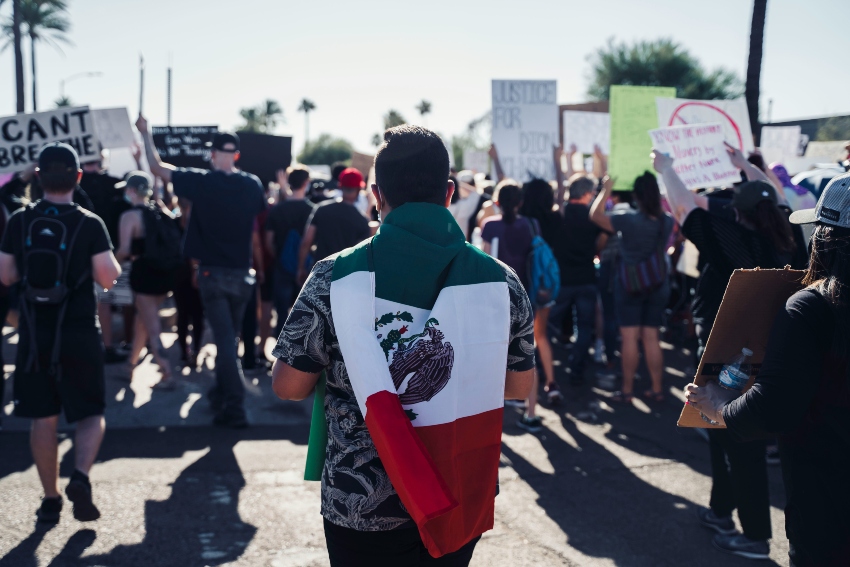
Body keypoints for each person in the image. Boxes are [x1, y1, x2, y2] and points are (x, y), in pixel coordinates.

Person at [272, 125, 534, 566]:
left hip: (362, 500)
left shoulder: (334, 276)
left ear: (377, 195)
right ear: (449, 192)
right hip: (458, 487)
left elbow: (289, 386)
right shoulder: (500, 282)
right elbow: (519, 386)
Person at [686, 171, 850, 566]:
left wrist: (718, 403)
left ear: (824, 236)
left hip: (829, 505)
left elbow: (774, 407)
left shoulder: (813, 306)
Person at [652, 143, 806, 560]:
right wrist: (746, 167)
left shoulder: (731, 242)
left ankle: (756, 535)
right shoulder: (792, 241)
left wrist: (665, 168)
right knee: (721, 434)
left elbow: (684, 208)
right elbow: (777, 196)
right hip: (766, 351)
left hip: (726, 355)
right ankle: (721, 511)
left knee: (739, 440)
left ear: (737, 214)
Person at [0, 143, 121, 523]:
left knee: (43, 417)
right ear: (78, 177)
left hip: (36, 334)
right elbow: (107, 276)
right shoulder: (89, 222)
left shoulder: (19, 221)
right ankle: (81, 477)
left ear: (38, 177)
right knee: (90, 413)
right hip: (80, 329)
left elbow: (6, 276)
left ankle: (50, 498)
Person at [137, 115, 266, 429]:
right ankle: (220, 393)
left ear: (212, 154)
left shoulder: (202, 181)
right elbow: (257, 228)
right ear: (235, 154)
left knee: (224, 343)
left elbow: (157, 168)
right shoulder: (252, 183)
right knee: (228, 341)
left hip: (213, 275)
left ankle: (234, 407)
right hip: (241, 275)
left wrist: (146, 134)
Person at [590, 173, 674, 403]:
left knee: (629, 338)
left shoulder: (627, 219)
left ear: (636, 195)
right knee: (651, 337)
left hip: (629, 283)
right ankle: (656, 388)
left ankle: (627, 390)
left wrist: (606, 188)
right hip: (657, 282)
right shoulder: (665, 220)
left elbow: (595, 215)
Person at [481, 181, 545, 432]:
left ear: (496, 201)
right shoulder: (531, 224)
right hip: (526, 295)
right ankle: (531, 413)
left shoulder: (490, 226)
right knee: (527, 353)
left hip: (495, 298)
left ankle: (492, 409)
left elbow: (484, 261)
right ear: (520, 202)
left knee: (492, 355)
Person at [114, 171, 178, 388]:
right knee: (143, 321)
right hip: (165, 274)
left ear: (131, 191)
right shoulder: (160, 211)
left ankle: (167, 373)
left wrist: (109, 263)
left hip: (144, 275)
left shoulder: (129, 216)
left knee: (151, 326)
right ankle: (129, 366)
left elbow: (123, 250)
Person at [550, 174, 605, 385]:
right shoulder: (593, 217)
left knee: (549, 327)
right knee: (584, 327)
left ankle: (545, 365)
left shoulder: (559, 213)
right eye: (592, 193)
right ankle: (577, 369)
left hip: (562, 280)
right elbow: (602, 242)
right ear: (585, 194)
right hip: (586, 279)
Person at [80, 154, 133, 364]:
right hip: (110, 253)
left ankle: (104, 346)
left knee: (100, 301)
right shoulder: (114, 184)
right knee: (109, 300)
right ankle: (110, 346)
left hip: (82, 253)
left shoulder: (77, 184)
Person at [518, 178, 562, 407]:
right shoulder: (554, 218)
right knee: (541, 337)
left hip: (522, 287)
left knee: (520, 342)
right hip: (544, 286)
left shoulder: (521, 222)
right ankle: (552, 383)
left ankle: (524, 390)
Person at [265, 165, 316, 336]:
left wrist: (279, 256)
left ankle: (278, 358)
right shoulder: (313, 210)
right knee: (303, 316)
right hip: (306, 269)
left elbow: (268, 241)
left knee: (282, 315)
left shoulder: (277, 210)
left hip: (281, 267)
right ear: (306, 183)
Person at [296, 167, 370, 283]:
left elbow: (306, 241)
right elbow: (360, 258)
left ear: (340, 186)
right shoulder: (362, 221)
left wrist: (300, 269)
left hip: (318, 274)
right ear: (359, 189)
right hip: (343, 280)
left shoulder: (321, 209)